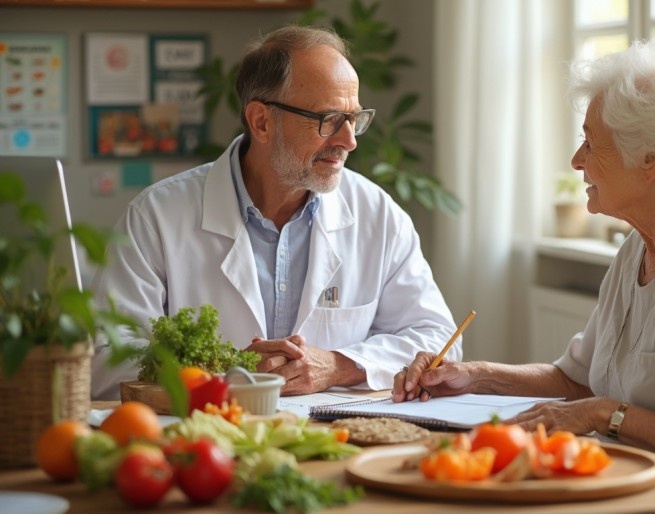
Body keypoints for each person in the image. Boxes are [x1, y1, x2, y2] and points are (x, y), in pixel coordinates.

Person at [394, 41, 655, 512]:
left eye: (590, 141)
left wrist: (601, 414)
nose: (577, 160)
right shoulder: (638, 247)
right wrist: (473, 375)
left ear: (649, 159)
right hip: (645, 484)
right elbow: (577, 381)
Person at [91, 25, 460, 400]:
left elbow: (436, 338)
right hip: (208, 441)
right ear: (262, 121)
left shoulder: (377, 214)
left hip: (332, 439)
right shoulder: (156, 216)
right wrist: (226, 372)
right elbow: (105, 362)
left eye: (354, 119)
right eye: (329, 119)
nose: (349, 140)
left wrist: (339, 365)